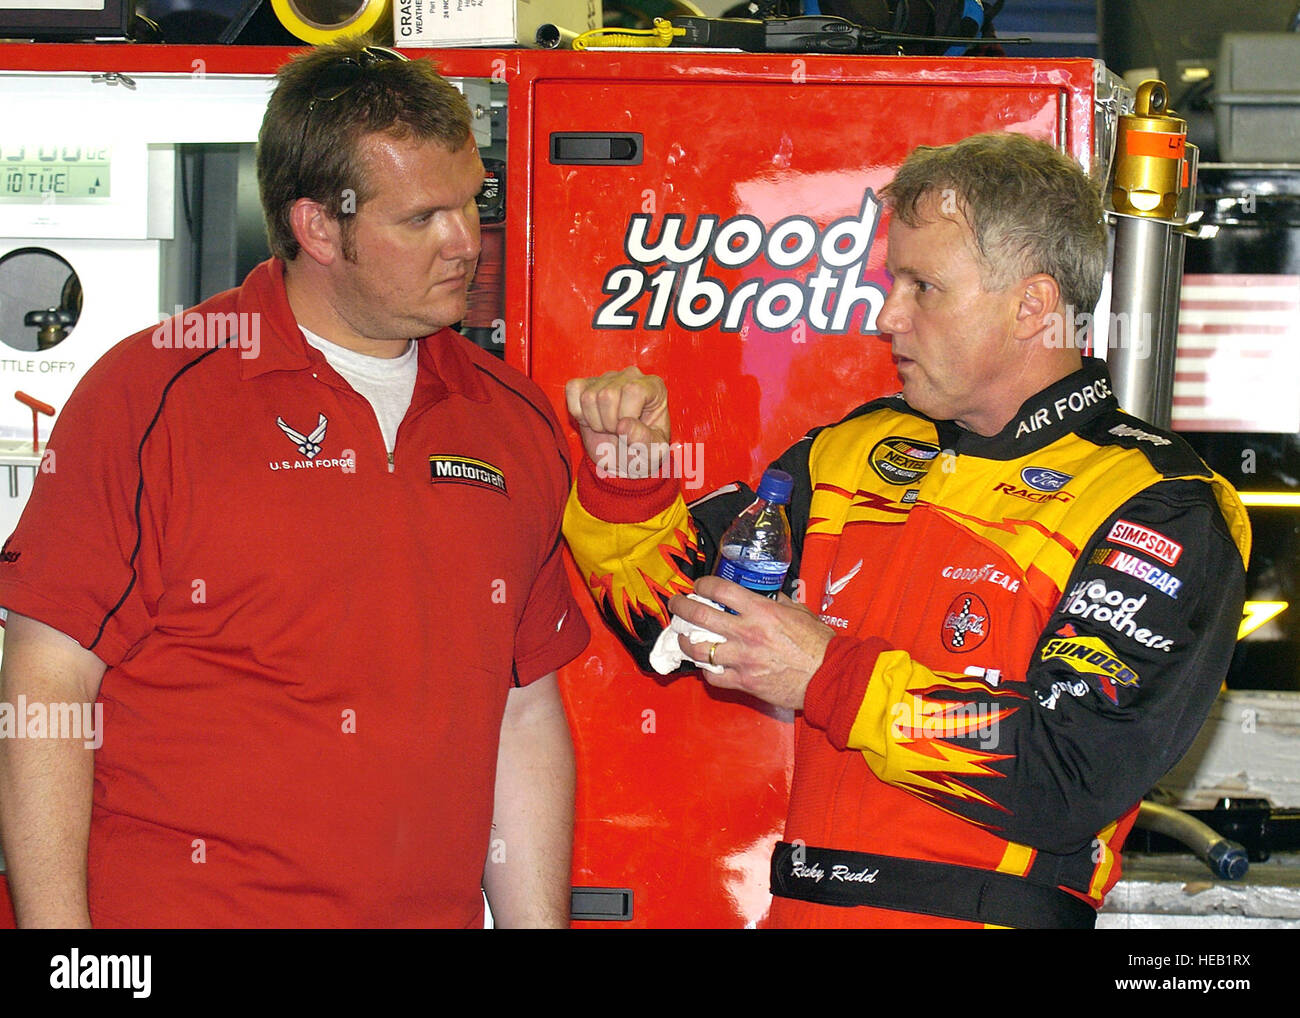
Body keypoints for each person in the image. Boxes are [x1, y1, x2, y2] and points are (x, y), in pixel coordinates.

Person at [562, 132, 1251, 928]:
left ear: (1032, 306)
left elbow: (1066, 772)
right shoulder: (852, 451)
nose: (889, 316)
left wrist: (826, 674)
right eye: (895, 281)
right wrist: (627, 483)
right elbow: (678, 625)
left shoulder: (1160, 502)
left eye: (925, 286)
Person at [0, 41, 588, 928]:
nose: (467, 241)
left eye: (474, 201)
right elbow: (45, 682)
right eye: (423, 216)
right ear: (318, 227)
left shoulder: (512, 418)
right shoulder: (152, 395)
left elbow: (522, 714)